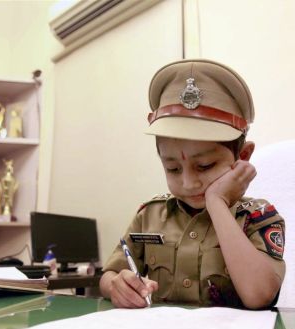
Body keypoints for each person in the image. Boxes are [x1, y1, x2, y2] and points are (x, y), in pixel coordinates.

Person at [100, 59, 285, 310]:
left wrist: (217, 202)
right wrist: (116, 286)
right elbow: (109, 275)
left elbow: (259, 295)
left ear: (242, 157)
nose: (188, 183)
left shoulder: (258, 217)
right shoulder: (149, 215)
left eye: (205, 166)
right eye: (173, 168)